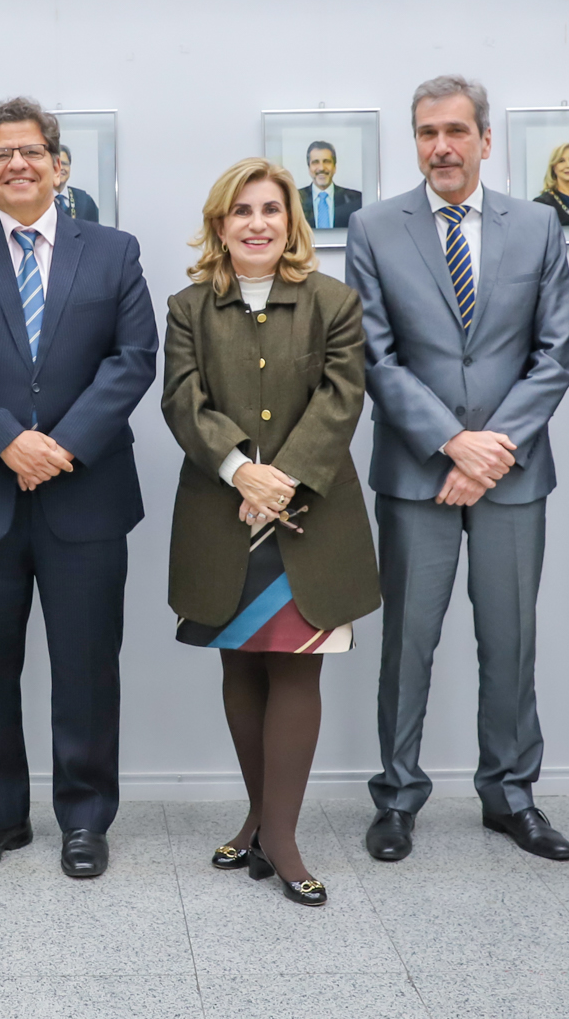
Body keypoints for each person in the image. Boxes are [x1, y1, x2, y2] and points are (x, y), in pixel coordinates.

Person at [0, 97, 158, 880]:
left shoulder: (113, 251)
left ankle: (84, 821)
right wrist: (8, 442)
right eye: (0, 155)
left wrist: (61, 446)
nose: (17, 164)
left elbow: (133, 359)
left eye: (31, 151)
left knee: (87, 669)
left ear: (58, 165)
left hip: (85, 493)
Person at [344, 74, 569, 864]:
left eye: (454, 131)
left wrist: (489, 449)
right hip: (419, 473)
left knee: (511, 641)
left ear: (485, 139)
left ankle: (511, 796)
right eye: (426, 133)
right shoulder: (374, 228)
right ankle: (397, 798)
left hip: (512, 473)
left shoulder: (538, 226)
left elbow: (555, 354)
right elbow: (376, 357)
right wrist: (451, 442)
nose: (440, 147)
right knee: (408, 643)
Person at [162, 158, 378, 908]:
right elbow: (182, 400)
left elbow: (342, 397)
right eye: (242, 211)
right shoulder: (188, 307)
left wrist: (279, 479)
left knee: (294, 671)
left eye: (271, 210)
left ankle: (281, 840)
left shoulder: (334, 301)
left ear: (291, 223)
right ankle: (258, 819)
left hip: (309, 519)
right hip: (222, 518)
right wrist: (239, 472)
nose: (257, 223)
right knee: (241, 668)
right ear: (220, 225)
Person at [297, 140, 362, 231]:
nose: (321, 168)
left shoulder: (355, 199)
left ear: (334, 167)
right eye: (315, 162)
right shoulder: (295, 198)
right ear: (309, 168)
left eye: (326, 161)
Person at [53, 148, 100, 222]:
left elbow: (97, 227)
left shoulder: (84, 200)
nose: (61, 168)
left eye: (64, 164)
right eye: (56, 164)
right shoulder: (38, 199)